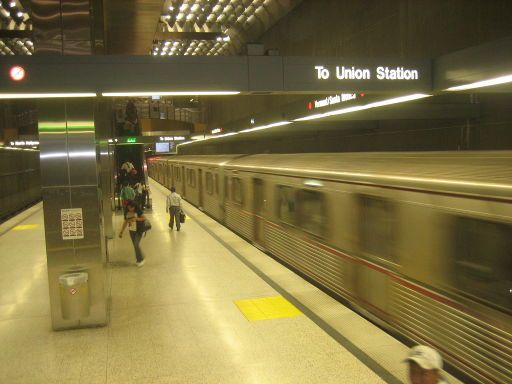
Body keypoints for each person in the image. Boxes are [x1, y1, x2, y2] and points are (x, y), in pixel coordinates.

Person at [119, 201, 146, 267]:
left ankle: (140, 259)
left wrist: (136, 219)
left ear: (134, 207)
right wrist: (121, 232)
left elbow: (144, 218)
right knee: (135, 246)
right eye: (129, 208)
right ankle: (140, 256)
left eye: (132, 208)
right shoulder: (126, 213)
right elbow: (125, 222)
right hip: (131, 231)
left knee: (136, 244)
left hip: (139, 230)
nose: (130, 209)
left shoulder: (138, 211)